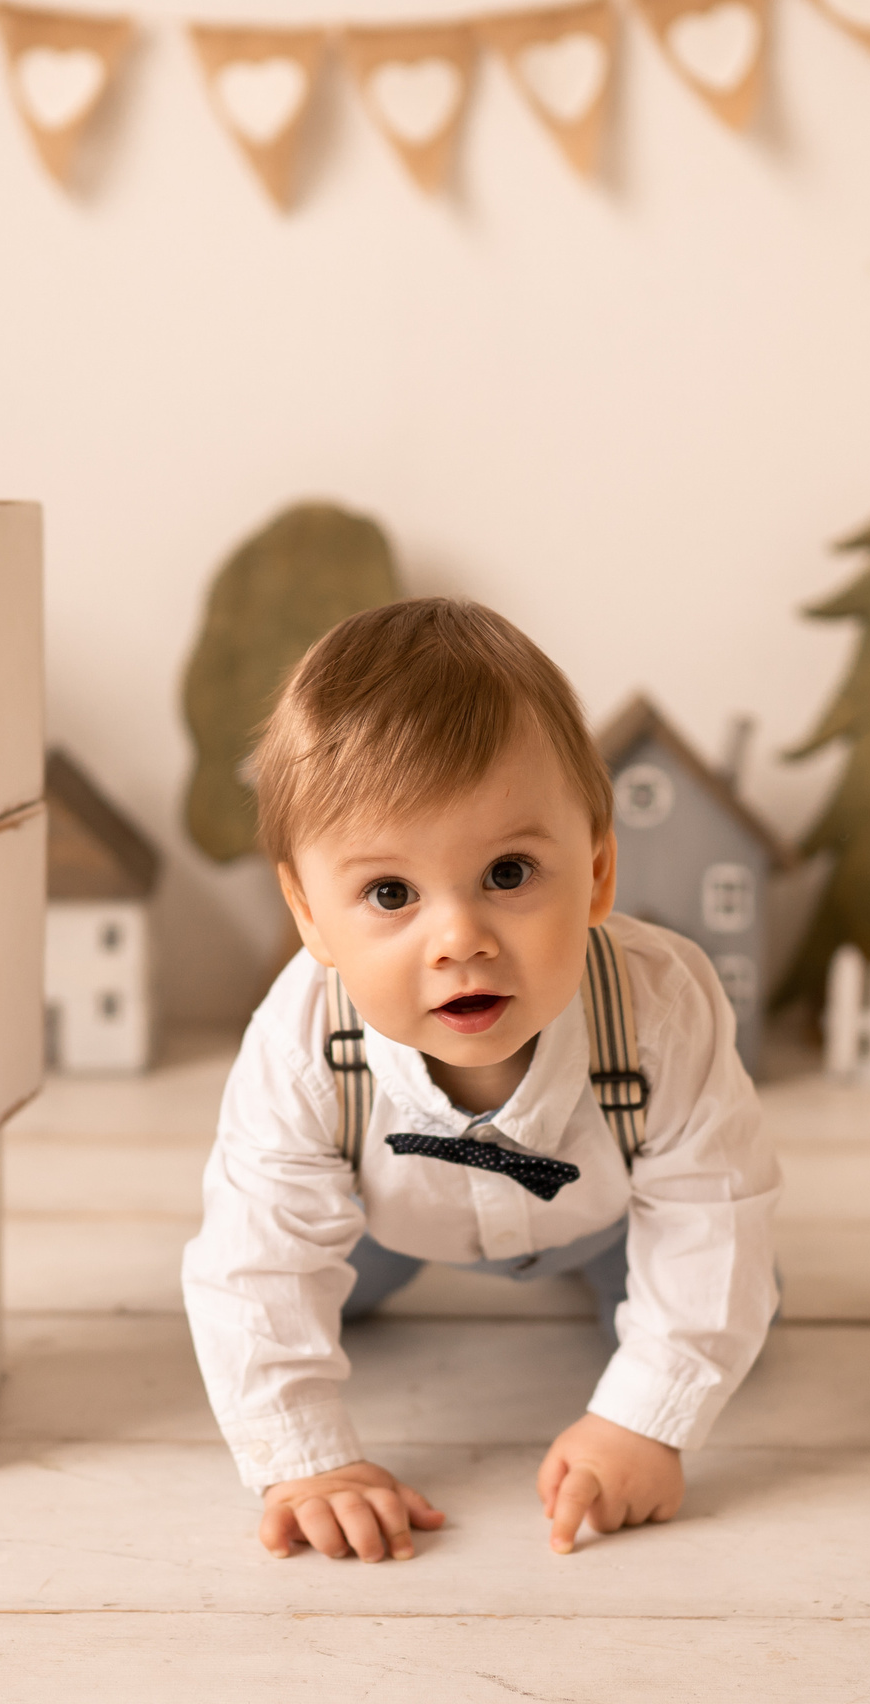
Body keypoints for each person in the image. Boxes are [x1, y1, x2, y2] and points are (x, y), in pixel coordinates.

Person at [180, 597, 781, 1562]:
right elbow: (257, 1262)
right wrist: (306, 1458)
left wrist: (644, 1421)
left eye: (508, 871)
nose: (458, 937)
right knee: (312, 1291)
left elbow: (713, 1209)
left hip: (606, 1212)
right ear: (310, 913)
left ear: (595, 870)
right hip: (383, 1210)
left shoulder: (660, 1010)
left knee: (732, 1295)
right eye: (390, 894)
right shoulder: (302, 1042)